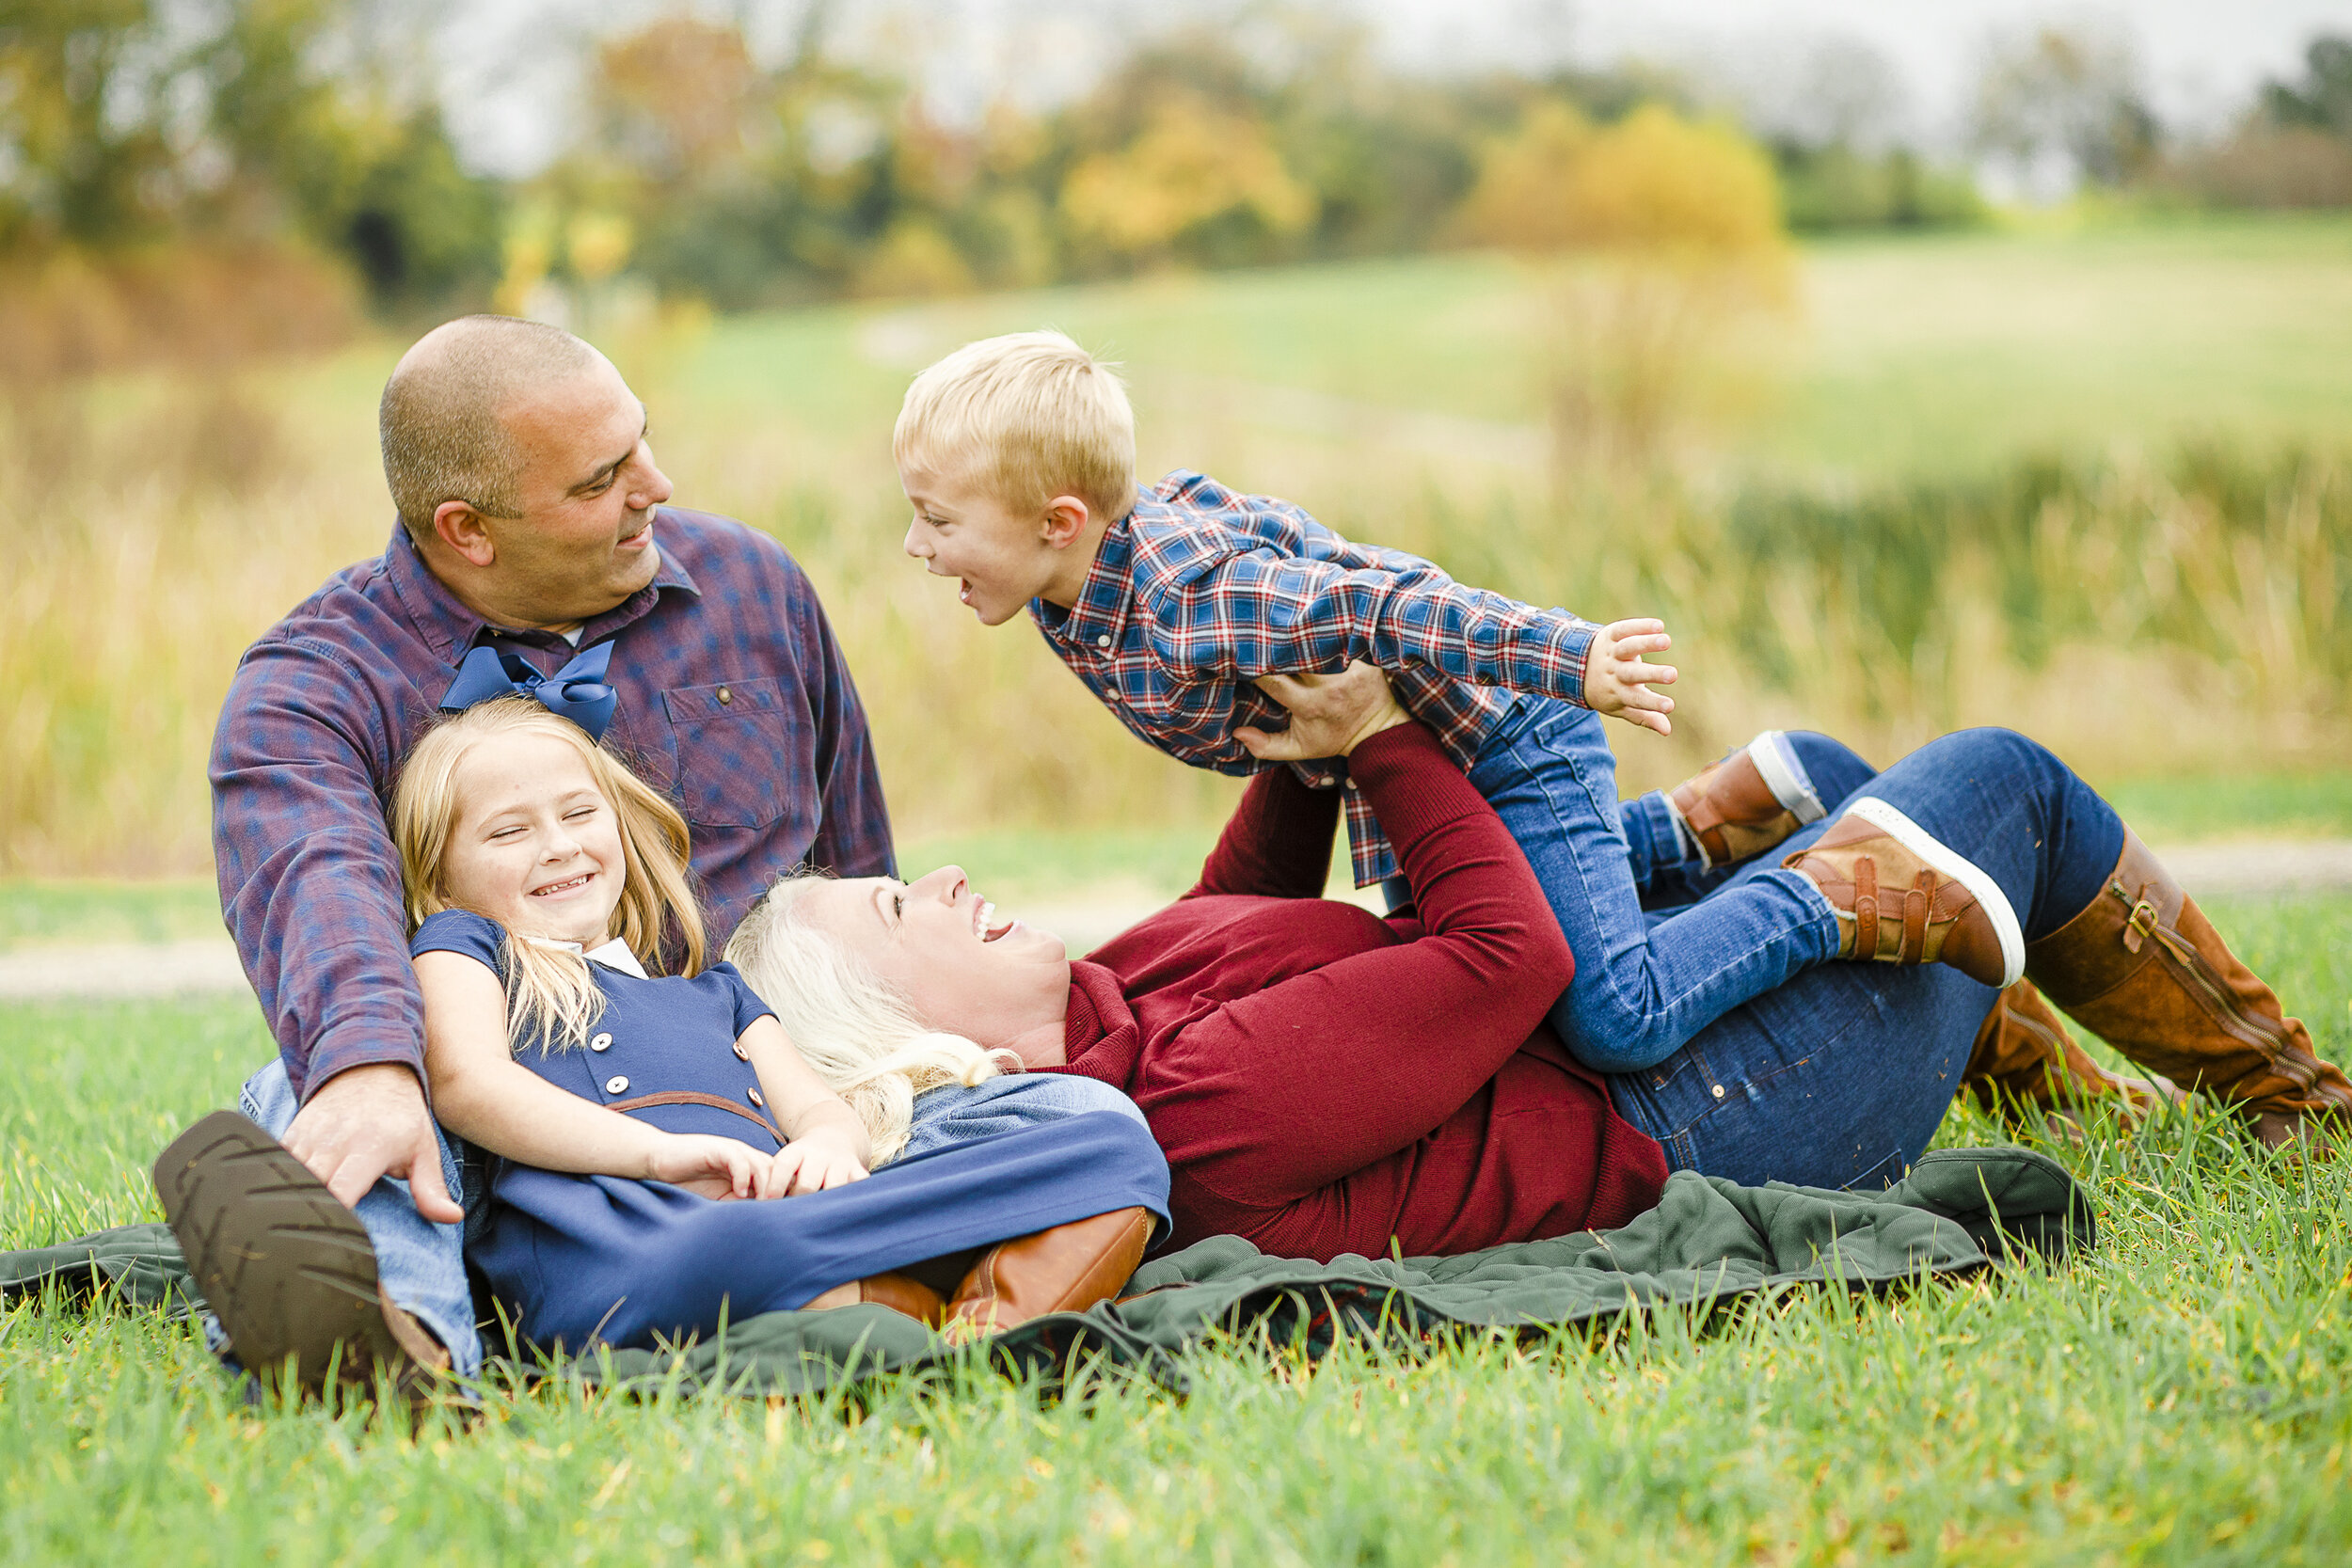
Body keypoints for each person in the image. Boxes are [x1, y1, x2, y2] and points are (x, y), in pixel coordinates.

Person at [749, 664, 2347, 1263]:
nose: (935, 875)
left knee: (1848, 778)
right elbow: (1504, 961)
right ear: (915, 1040)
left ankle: (2046, 1071)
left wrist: (1294, 734)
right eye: (895, 910)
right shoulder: (1183, 1107)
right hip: (1718, 1111)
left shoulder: (1116, 996)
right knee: (2001, 781)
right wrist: (1381, 738)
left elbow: (1237, 910)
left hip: (1639, 1052)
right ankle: (2296, 1099)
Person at [887, 331, 2027, 1093]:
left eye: (938, 520)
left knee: (1614, 1015)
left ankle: (1834, 890)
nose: (916, 546)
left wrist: (1567, 657)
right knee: (1456, 962)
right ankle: (1696, 826)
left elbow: (1389, 603)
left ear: (1059, 516)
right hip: (1412, 776)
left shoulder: (1193, 596)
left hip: (1505, 740)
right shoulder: (1070, 588)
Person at [176, 313, 898, 1391]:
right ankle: (399, 1354)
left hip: (763, 1077)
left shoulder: (751, 585)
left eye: (640, 441)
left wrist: (887, 1055)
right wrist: (369, 1067)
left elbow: (854, 859)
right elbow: (317, 883)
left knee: (1060, 1111)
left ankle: (942, 1256)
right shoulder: (316, 682)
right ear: (467, 529)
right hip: (505, 1084)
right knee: (336, 1076)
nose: (656, 482)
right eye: (603, 478)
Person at [391, 696, 1165, 1354]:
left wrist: (828, 1147)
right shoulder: (470, 948)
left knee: (1108, 1140)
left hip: (779, 1221)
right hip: (630, 1247)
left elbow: (817, 1107)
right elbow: (467, 1082)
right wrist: (658, 1156)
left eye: (578, 813)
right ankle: (883, 1309)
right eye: (508, 832)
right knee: (739, 1247)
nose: (558, 845)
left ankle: (978, 1341)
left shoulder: (715, 992)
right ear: (439, 872)